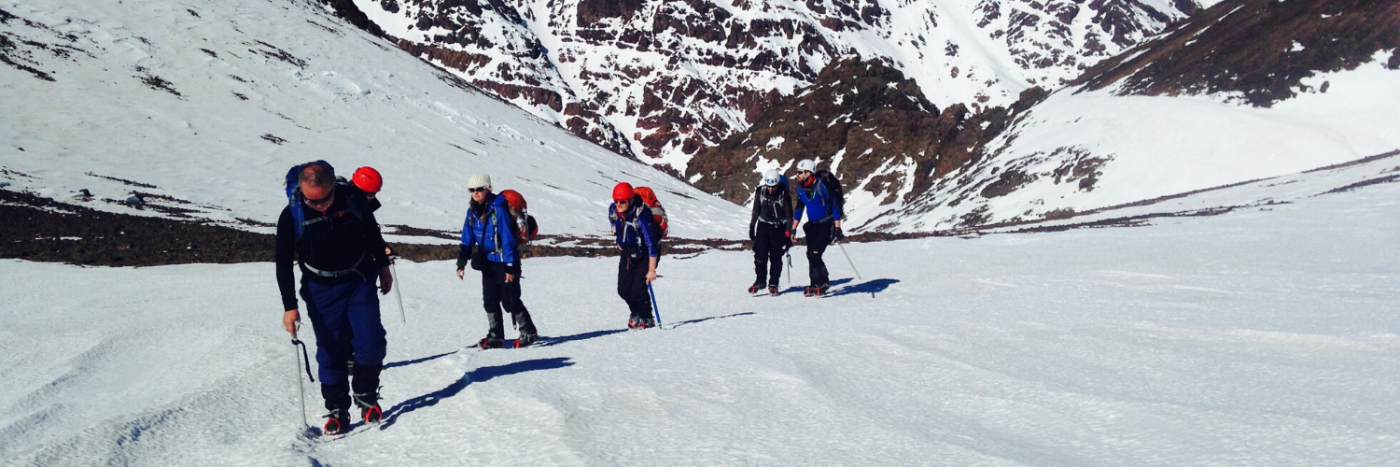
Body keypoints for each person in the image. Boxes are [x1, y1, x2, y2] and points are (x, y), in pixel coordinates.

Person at [276, 161, 392, 436]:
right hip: (321, 288)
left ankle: (365, 395)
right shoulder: (291, 215)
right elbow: (282, 264)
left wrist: (383, 266)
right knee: (330, 349)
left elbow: (372, 233)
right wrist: (289, 307)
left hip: (358, 279)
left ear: (333, 187)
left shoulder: (351, 198)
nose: (318, 206)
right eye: (310, 200)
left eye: (324, 199)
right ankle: (337, 408)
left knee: (372, 341)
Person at [455, 173, 539, 348]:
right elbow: (467, 237)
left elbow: (507, 239)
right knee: (490, 299)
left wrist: (510, 267)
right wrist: (461, 262)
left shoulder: (498, 209)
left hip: (505, 260)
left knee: (510, 299)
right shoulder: (472, 212)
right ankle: (496, 335)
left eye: (479, 189)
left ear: (488, 189)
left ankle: (528, 331)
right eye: (472, 190)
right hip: (488, 261)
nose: (475, 192)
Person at [608, 182, 660, 329]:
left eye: (622, 201)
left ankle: (647, 317)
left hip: (645, 255)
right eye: (616, 201)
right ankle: (636, 313)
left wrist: (651, 270)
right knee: (623, 290)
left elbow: (651, 243)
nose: (618, 204)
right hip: (627, 254)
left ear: (630, 200)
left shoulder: (641, 215)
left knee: (638, 290)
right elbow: (614, 224)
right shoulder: (613, 211)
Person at [790, 159, 843, 296]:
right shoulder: (801, 188)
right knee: (810, 254)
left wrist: (837, 228)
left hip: (826, 224)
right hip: (812, 227)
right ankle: (814, 283)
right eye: (797, 173)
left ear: (808, 172)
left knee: (815, 254)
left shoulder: (822, 186)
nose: (797, 175)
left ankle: (823, 282)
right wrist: (793, 228)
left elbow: (835, 205)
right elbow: (799, 208)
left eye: (800, 173)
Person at [748, 169, 793, 295]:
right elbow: (756, 209)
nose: (770, 189)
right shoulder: (761, 191)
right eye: (768, 186)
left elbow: (789, 216)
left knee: (776, 257)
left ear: (777, 184)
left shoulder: (784, 195)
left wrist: (788, 234)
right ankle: (760, 280)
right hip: (763, 226)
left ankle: (773, 283)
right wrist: (752, 226)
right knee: (759, 255)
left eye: (773, 187)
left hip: (778, 228)